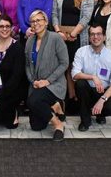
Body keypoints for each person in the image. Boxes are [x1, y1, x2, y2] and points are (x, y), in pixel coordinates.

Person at [24, 10, 68, 141]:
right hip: (37, 84)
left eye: (39, 20)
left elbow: (64, 63)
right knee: (36, 126)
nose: (36, 23)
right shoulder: (29, 41)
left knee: (33, 101)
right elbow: (27, 65)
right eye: (33, 21)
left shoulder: (55, 38)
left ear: (46, 22)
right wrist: (33, 81)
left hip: (54, 84)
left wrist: (47, 81)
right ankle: (55, 106)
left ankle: (58, 125)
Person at [52, 0, 94, 104]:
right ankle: (70, 96)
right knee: (65, 65)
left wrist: (73, 33)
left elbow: (86, 18)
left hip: (78, 36)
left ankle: (80, 97)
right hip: (61, 37)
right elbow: (54, 15)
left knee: (77, 66)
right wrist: (58, 32)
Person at [72, 24, 111, 131]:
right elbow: (75, 74)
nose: (95, 37)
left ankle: (100, 113)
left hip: (103, 92)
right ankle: (85, 120)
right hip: (87, 91)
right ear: (89, 37)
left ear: (104, 37)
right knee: (80, 83)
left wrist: (102, 100)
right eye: (92, 34)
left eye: (99, 34)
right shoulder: (81, 52)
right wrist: (93, 77)